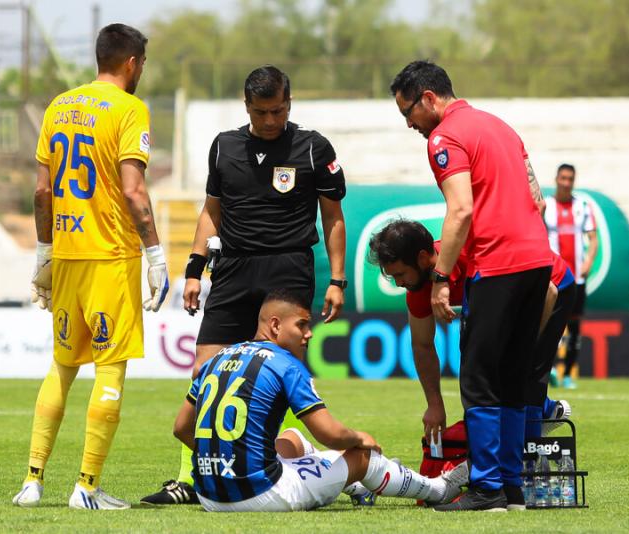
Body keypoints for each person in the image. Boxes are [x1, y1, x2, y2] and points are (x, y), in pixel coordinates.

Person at [141, 65, 347, 505]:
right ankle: (192, 478)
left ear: (289, 104)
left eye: (278, 111)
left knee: (283, 377)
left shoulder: (313, 148)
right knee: (205, 370)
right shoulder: (224, 146)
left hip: (288, 269)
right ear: (246, 106)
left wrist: (337, 279)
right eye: (260, 112)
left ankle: (281, 464)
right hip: (232, 270)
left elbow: (333, 217)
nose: (270, 120)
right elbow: (211, 212)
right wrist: (193, 269)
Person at [13, 23, 168, 510]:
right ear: (132, 63)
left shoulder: (58, 106)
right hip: (111, 257)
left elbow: (42, 191)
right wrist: (156, 255)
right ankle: (86, 487)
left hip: (67, 254)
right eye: (142, 63)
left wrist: (44, 251)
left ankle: (32, 480)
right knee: (110, 371)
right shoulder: (129, 108)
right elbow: (133, 191)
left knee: (61, 367)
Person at [390, 61, 553, 512]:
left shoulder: (445, 137)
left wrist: (441, 278)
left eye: (408, 112)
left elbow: (460, 209)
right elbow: (538, 199)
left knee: (479, 380)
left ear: (428, 98)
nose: (409, 124)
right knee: (512, 378)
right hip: (537, 258)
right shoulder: (501, 127)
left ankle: (486, 488)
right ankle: (513, 489)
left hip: (496, 263)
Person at [171, 289, 469, 512]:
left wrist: (226, 459)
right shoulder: (285, 364)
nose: (309, 334)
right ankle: (437, 489)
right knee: (362, 457)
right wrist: (359, 438)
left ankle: (354, 486)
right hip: (260, 495)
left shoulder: (217, 359)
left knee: (292, 438)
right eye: (301, 325)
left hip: (209, 497)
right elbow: (330, 434)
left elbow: (182, 428)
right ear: (275, 325)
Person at [368, 219, 574, 507]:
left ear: (423, 258)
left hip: (552, 286)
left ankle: (512, 481)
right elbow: (422, 345)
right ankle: (539, 419)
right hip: (516, 297)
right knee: (490, 381)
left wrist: (521, 353)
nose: (399, 283)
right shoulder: (418, 288)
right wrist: (434, 404)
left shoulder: (471, 254)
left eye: (400, 274)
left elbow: (547, 291)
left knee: (522, 383)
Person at [543, 164, 598, 389]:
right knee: (549, 322)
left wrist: (588, 262)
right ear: (556, 179)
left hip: (577, 278)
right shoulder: (546, 205)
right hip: (553, 277)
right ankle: (548, 368)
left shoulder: (582, 206)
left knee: (574, 327)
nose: (566, 183)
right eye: (563, 178)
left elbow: (593, 239)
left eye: (570, 179)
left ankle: (567, 374)